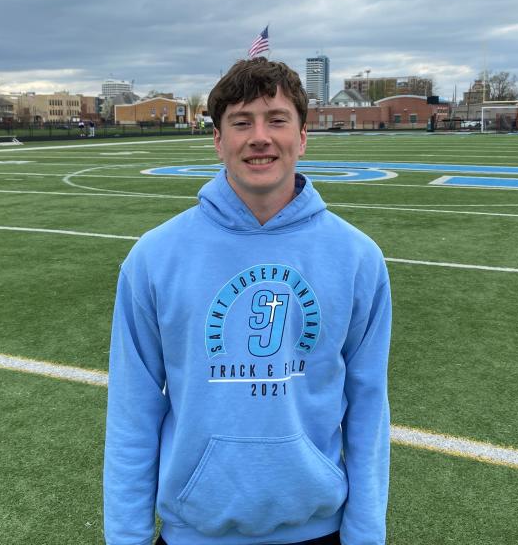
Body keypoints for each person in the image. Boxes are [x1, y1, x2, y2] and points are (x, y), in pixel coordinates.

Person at [104, 58, 392, 545]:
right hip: (193, 533)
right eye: (241, 122)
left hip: (318, 530)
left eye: (276, 120)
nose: (260, 137)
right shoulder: (154, 257)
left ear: (302, 137)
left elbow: (367, 407)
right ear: (218, 140)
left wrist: (366, 535)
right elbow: (132, 413)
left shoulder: (357, 258)